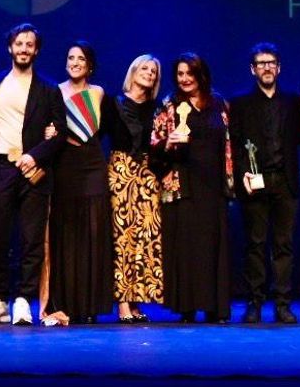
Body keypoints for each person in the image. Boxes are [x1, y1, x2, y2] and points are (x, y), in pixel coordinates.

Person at [0, 23, 65, 326]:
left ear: (37, 50)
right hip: (0, 168)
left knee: (31, 239)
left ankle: (24, 299)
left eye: (29, 44)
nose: (23, 49)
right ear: (10, 47)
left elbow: (59, 134)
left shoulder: (48, 88)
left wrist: (36, 155)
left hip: (33, 171)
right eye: (18, 43)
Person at [228, 43, 300, 324]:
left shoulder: (292, 102)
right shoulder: (239, 104)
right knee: (255, 245)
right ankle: (254, 302)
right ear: (253, 69)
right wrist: (241, 176)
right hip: (254, 183)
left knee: (284, 246)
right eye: (260, 63)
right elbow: (235, 147)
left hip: (284, 183)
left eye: (271, 62)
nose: (266, 67)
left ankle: (283, 304)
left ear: (279, 67)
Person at [152, 52, 231, 323]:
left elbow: (229, 141)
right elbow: (153, 144)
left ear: (201, 75)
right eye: (180, 74)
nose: (184, 79)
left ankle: (214, 307)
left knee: (212, 245)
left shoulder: (218, 103)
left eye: (190, 73)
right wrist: (168, 144)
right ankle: (187, 307)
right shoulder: (169, 105)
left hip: (213, 184)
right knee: (187, 247)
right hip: (182, 183)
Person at [44, 42, 115, 325]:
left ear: (90, 64)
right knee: (68, 231)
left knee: (94, 230)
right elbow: (47, 127)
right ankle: (68, 302)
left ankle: (91, 303)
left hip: (93, 162)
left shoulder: (98, 93)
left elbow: (107, 129)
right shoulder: (54, 92)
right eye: (70, 57)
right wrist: (49, 131)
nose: (75, 62)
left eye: (81, 58)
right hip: (65, 164)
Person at [105, 54, 163, 323]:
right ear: (133, 70)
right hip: (122, 171)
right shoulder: (114, 103)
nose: (149, 73)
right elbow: (94, 134)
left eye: (153, 71)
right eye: (144, 68)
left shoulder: (157, 108)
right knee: (123, 238)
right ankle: (123, 303)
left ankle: (138, 301)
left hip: (149, 174)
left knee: (145, 238)